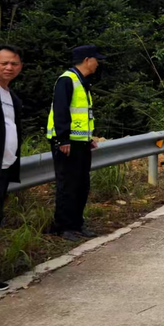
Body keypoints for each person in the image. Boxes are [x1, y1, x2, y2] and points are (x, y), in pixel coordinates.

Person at [47, 45, 105, 240]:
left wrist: (88, 139)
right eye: (96, 59)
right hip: (66, 142)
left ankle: (77, 225)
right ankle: (63, 227)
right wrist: (63, 139)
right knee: (68, 185)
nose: (98, 63)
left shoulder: (82, 81)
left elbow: (82, 116)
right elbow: (61, 111)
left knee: (81, 185)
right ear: (87, 60)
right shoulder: (67, 80)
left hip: (79, 142)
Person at [0, 45, 25, 292]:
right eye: (4, 63)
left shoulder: (11, 96)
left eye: (15, 64)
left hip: (2, 169)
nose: (9, 67)